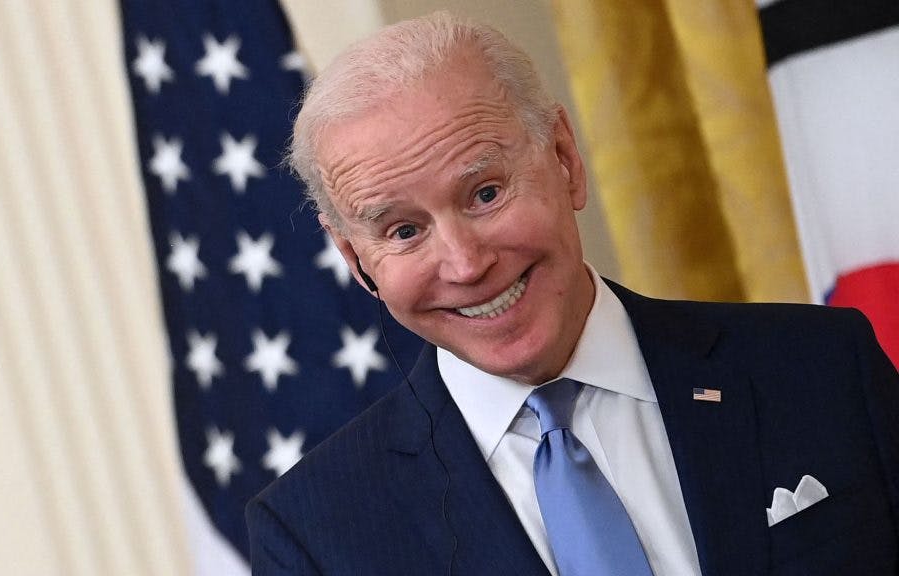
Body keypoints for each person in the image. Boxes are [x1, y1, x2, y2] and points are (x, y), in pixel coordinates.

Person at [246, 12, 899, 575]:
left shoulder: (821, 367)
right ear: (355, 257)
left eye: (486, 193)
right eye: (405, 230)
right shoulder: (315, 534)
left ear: (564, 158)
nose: (467, 265)